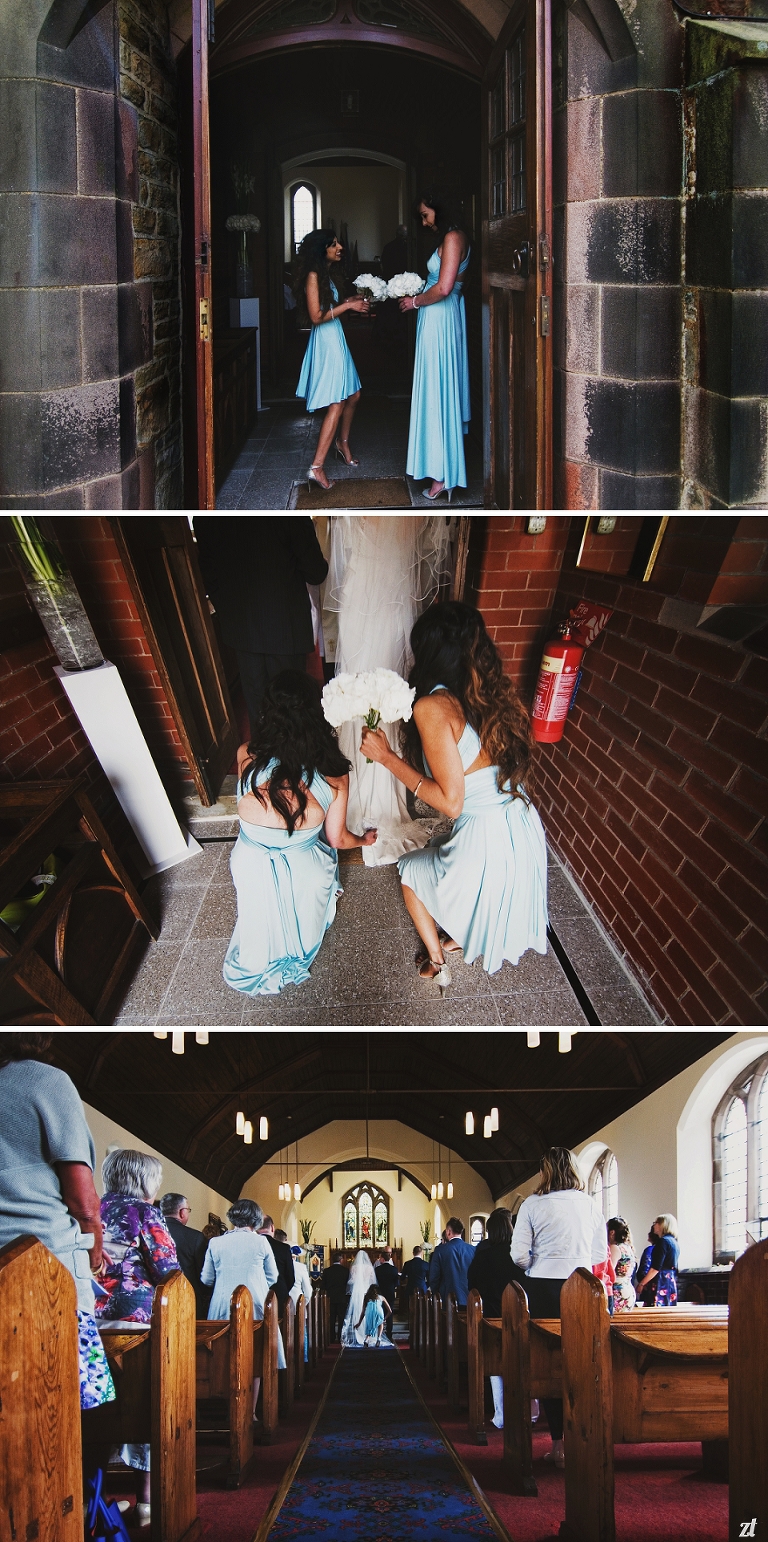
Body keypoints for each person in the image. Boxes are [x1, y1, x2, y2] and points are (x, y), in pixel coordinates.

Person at [361, 601, 547, 987]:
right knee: (446, 845)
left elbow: (450, 803)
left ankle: (436, 961)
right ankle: (465, 931)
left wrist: (386, 757)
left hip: (490, 837)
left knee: (411, 871)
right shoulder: (484, 694)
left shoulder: (433, 706)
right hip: (521, 825)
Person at [222, 670, 377, 996]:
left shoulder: (245, 755)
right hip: (302, 870)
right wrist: (362, 840)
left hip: (248, 861)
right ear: (316, 716)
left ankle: (262, 946)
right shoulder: (334, 774)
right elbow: (337, 840)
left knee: (255, 907)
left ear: (267, 717)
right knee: (320, 869)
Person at [325, 514, 452, 865]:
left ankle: (369, 792)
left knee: (385, 688)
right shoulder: (416, 514)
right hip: (393, 595)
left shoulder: (357, 511)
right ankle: (366, 790)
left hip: (383, 596)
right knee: (368, 687)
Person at [0, 1033, 116, 1418]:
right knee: (63, 1403)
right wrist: (94, 1251)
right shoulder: (45, 1080)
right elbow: (83, 1200)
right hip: (46, 1264)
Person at [97, 1149, 181, 1524]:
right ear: (143, 1180)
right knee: (143, 1404)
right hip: (135, 1320)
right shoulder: (144, 1212)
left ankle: (91, 1497)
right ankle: (146, 1502)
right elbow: (167, 1269)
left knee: (98, 1410)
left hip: (90, 1319)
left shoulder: (91, 1208)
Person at [512, 1147, 608, 1469]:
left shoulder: (533, 1204)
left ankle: (559, 1445)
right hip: (582, 1286)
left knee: (550, 1365)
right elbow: (599, 1254)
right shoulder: (591, 1204)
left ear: (546, 1172)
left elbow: (518, 1255)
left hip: (543, 1290)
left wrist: (538, 1265)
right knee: (582, 1358)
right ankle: (585, 1438)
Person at [194, 515, 328, 737]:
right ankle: (294, 767)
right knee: (293, 711)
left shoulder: (208, 517)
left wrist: (228, 608)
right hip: (285, 625)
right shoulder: (286, 514)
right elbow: (315, 571)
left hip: (241, 625)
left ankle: (269, 768)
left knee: (258, 713)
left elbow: (208, 569)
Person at [400, 189, 470, 501]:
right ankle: (439, 468)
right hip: (438, 320)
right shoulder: (451, 237)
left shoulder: (454, 237)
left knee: (438, 391)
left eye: (426, 215)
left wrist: (414, 300)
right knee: (436, 389)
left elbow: (443, 287)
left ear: (439, 210)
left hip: (440, 319)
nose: (425, 222)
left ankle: (444, 473)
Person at [293, 229, 370, 489]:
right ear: (321, 249)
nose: (340, 247)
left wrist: (350, 299)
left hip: (336, 337)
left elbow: (329, 306)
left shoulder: (327, 274)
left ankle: (342, 442)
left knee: (354, 394)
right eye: (333, 244)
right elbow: (316, 316)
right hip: (326, 341)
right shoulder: (313, 276)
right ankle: (316, 467)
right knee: (336, 402)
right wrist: (348, 307)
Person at [200, 1199, 286, 1416]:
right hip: (254, 1304)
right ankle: (250, 1411)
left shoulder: (216, 1243)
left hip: (222, 1305)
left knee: (224, 1355)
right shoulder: (261, 1243)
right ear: (256, 1219)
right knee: (254, 1357)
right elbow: (273, 1276)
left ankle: (231, 1410)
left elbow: (206, 1279)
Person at [467, 1208, 528, 1430]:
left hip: (491, 1318)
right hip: (519, 1317)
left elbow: (472, 1287)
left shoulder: (482, 1257)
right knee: (524, 1362)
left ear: (489, 1231)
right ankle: (530, 1413)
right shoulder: (520, 1255)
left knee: (495, 1366)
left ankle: (501, 1415)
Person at [160, 1192, 211, 1318]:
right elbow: (203, 1273)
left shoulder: (149, 1232)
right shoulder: (195, 1237)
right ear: (182, 1212)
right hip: (187, 1300)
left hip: (157, 1299)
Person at [342, 1249, 395, 1346]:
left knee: (360, 1310)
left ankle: (360, 1332)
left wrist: (357, 1283)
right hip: (368, 1290)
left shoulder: (353, 1267)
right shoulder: (370, 1268)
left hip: (358, 1292)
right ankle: (372, 1335)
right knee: (370, 1311)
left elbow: (351, 1281)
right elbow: (373, 1282)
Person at [428, 1217, 475, 1306]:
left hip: (447, 1300)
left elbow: (434, 1277)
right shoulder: (473, 1250)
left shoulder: (440, 1250)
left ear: (448, 1231)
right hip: (469, 1300)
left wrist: (436, 1295)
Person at [636, 1214, 680, 1306]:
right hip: (670, 1280)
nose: (654, 1225)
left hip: (660, 1282)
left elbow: (655, 1268)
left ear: (662, 1225)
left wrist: (641, 1284)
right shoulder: (674, 1242)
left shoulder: (663, 1241)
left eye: (656, 1223)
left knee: (654, 1309)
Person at [257, 1215, 295, 1313]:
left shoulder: (251, 1245)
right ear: (272, 1227)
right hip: (279, 1296)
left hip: (256, 1297)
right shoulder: (283, 1248)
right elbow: (290, 1277)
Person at [288, 1243, 313, 1361]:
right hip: (297, 1302)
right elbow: (308, 1291)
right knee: (300, 1333)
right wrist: (303, 1303)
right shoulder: (301, 1267)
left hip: (280, 1304)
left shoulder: (277, 1264)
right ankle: (303, 1360)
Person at [607, 1217, 637, 1313]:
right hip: (628, 1289)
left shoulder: (615, 1248)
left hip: (618, 1292)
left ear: (612, 1232)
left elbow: (609, 1272)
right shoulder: (628, 1248)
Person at [320, 1251, 350, 1342]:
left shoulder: (327, 1271)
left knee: (331, 1319)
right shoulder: (346, 1271)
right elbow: (348, 1285)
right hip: (342, 1298)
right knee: (341, 1319)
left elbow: (323, 1286)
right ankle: (341, 1336)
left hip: (330, 1298)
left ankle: (331, 1337)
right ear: (341, 1260)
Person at [374, 1248, 400, 1339]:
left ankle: (379, 1333)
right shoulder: (394, 1269)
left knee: (379, 1312)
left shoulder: (377, 1270)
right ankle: (389, 1333)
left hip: (380, 1294)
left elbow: (375, 1283)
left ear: (383, 1259)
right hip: (390, 1293)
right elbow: (397, 1283)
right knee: (390, 1313)